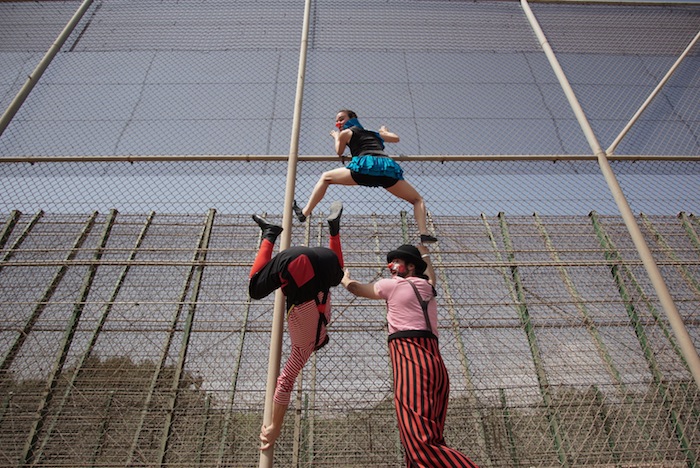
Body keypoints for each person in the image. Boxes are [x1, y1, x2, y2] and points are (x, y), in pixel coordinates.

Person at [341, 243, 478, 467]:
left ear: (411, 267)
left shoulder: (392, 285)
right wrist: (425, 252)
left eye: (397, 262)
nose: (391, 266)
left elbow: (356, 289)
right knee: (429, 439)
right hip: (435, 363)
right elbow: (431, 276)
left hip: (411, 360)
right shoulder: (428, 287)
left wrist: (343, 278)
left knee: (419, 442)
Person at [249, 201, 345, 451]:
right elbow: (285, 383)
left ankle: (334, 232)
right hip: (298, 263)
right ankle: (270, 234)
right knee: (254, 288)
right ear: (317, 344)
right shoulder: (303, 349)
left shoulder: (326, 319)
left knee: (338, 274)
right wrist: (275, 426)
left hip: (325, 260)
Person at [293, 109, 438, 244]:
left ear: (352, 119)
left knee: (325, 177)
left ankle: (305, 213)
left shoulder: (346, 133)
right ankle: (423, 233)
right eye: (337, 121)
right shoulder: (374, 133)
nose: (339, 123)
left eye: (342, 119)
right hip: (385, 170)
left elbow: (339, 151)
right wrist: (384, 131)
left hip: (364, 168)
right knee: (417, 199)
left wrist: (337, 136)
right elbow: (395, 138)